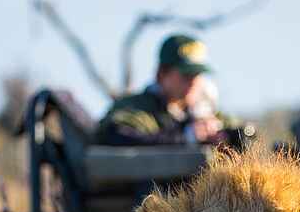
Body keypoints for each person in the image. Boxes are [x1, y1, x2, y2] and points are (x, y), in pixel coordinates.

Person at [95, 34, 226, 146]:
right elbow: (117, 136)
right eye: (186, 75)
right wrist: (187, 138)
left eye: (197, 75)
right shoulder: (133, 109)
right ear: (161, 74)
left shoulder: (205, 113)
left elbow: (240, 131)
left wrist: (223, 135)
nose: (193, 82)